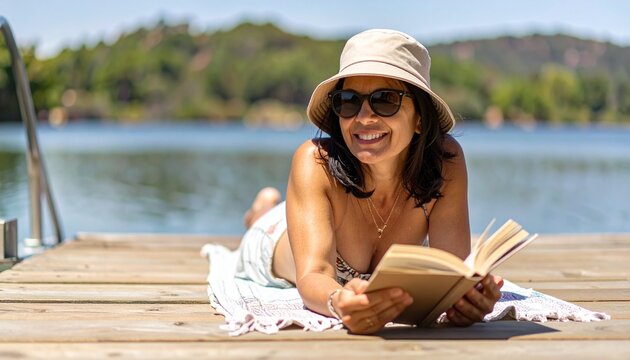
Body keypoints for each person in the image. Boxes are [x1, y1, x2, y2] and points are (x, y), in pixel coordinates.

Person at [239, 29, 503, 335]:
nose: (363, 117)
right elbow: (313, 274)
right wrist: (338, 301)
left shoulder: (446, 162)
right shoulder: (314, 162)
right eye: (349, 101)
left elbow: (452, 269)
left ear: (420, 117)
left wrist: (464, 301)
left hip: (307, 211)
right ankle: (261, 211)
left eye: (385, 100)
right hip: (271, 241)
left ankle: (270, 205)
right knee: (264, 222)